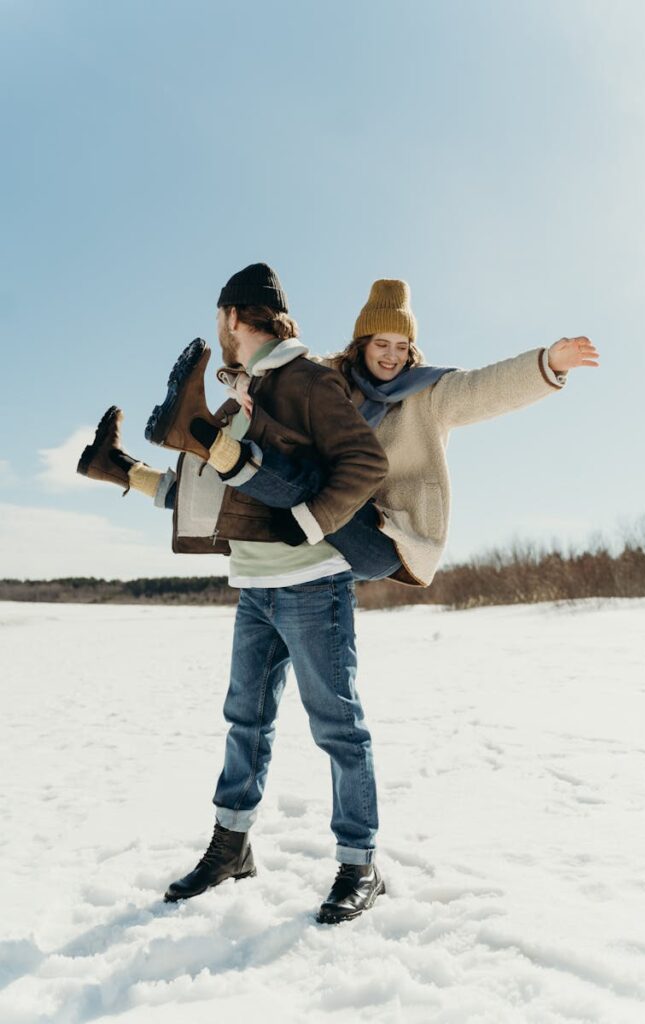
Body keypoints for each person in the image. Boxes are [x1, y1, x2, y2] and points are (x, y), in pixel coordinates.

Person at [77, 263, 390, 924]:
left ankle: (359, 864)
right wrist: (121, 473)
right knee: (245, 722)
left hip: (310, 584)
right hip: (254, 587)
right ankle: (230, 848)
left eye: (220, 319)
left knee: (337, 727)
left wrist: (308, 523)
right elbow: (202, 497)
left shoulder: (305, 380)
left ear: (232, 318)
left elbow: (363, 462)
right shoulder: (241, 396)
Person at [191, 278, 599, 588]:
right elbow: (273, 363)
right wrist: (242, 382)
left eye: (401, 346)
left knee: (306, 477)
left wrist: (548, 364)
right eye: (382, 344)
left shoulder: (428, 393)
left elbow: (486, 388)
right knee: (282, 449)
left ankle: (219, 457)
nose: (391, 356)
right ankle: (175, 489)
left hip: (391, 537)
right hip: (337, 520)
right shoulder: (330, 377)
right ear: (362, 344)